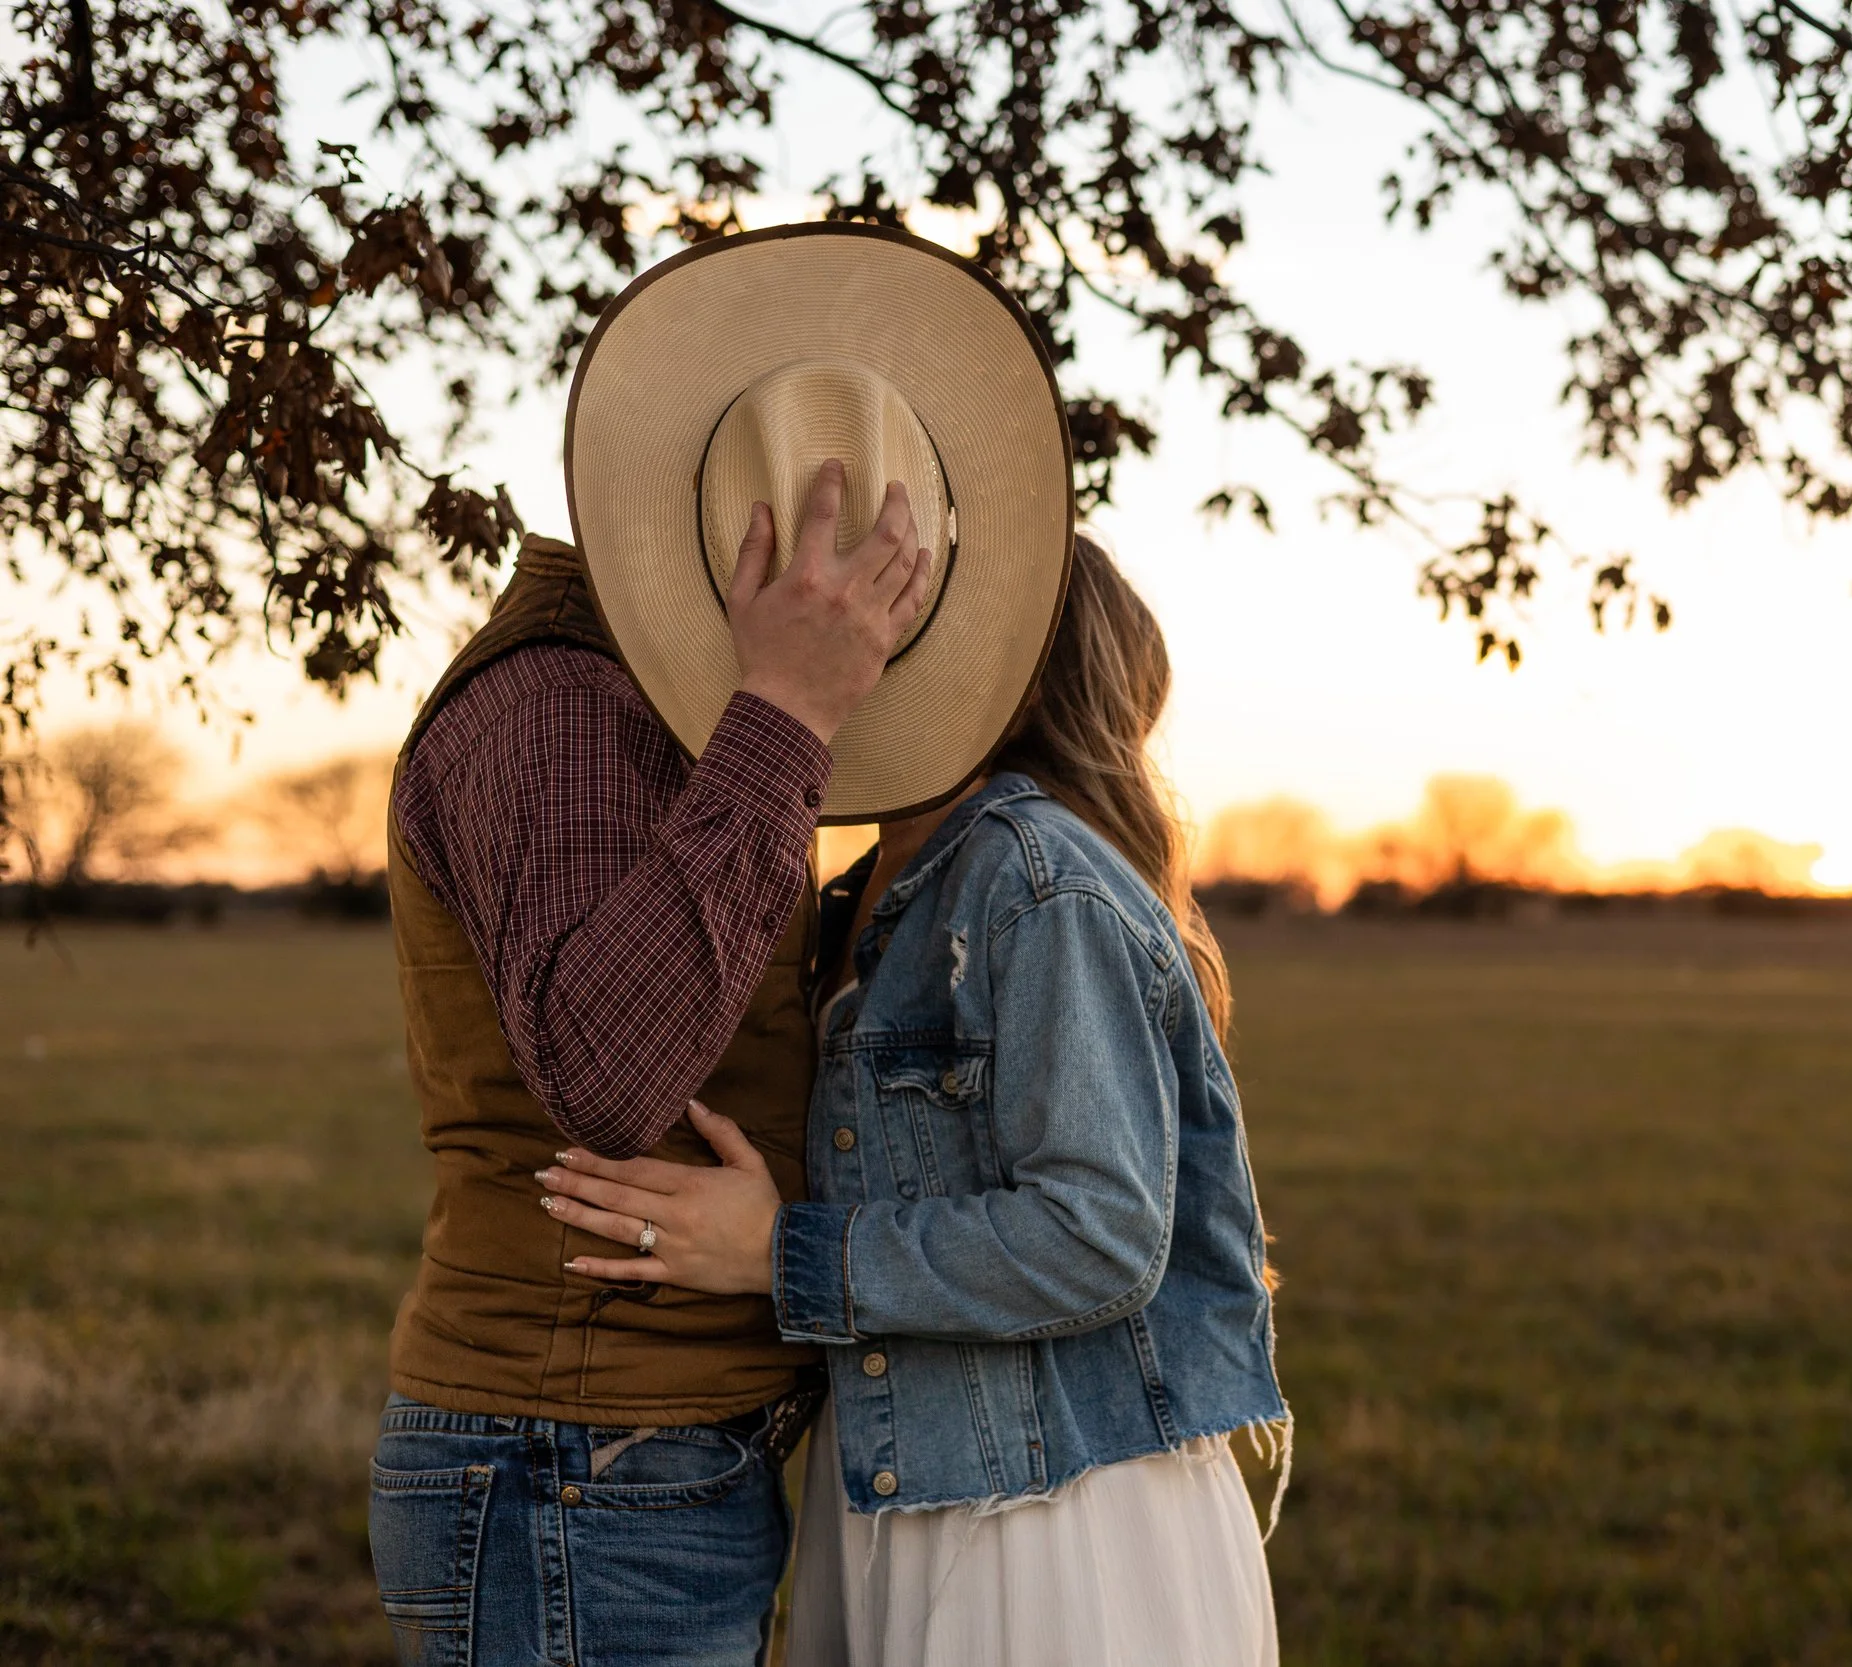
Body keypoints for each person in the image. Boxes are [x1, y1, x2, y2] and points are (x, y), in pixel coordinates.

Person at [369, 223, 1078, 1664]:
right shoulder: (570, 701)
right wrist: (794, 709)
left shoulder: (679, 720)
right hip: (575, 1458)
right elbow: (607, 1070)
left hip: (628, 1465)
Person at [538, 536, 1289, 1666]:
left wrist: (780, 1252)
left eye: (898, 612)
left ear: (1000, 666)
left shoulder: (1033, 878)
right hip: (924, 1476)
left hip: (1045, 1516)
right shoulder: (878, 883)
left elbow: (1099, 1233)